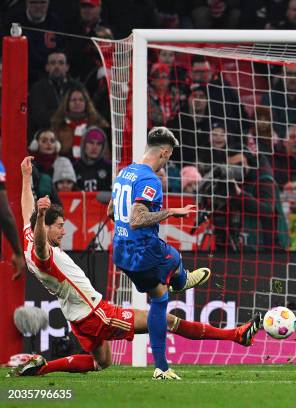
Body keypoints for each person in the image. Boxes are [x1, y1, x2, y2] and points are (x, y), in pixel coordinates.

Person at [9, 156, 260, 378]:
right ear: (47, 227)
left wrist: (26, 177)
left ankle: (42, 367)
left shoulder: (29, 236)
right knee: (167, 320)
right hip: (97, 314)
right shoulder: (43, 252)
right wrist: (42, 217)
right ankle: (237, 335)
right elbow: (41, 241)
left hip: (77, 316)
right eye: (60, 226)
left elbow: (25, 209)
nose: (64, 231)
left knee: (102, 362)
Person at [108, 127, 214, 379]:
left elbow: (112, 212)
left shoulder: (125, 173)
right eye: (169, 157)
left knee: (159, 298)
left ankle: (161, 368)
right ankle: (181, 280)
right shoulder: (149, 180)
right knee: (175, 258)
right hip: (143, 250)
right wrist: (171, 212)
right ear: (164, 153)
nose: (167, 163)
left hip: (120, 251)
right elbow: (136, 219)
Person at [74, 127, 112, 192]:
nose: (94, 147)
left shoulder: (110, 167)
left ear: (103, 147)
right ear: (84, 144)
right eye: (91, 143)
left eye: (99, 144)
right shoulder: (74, 167)